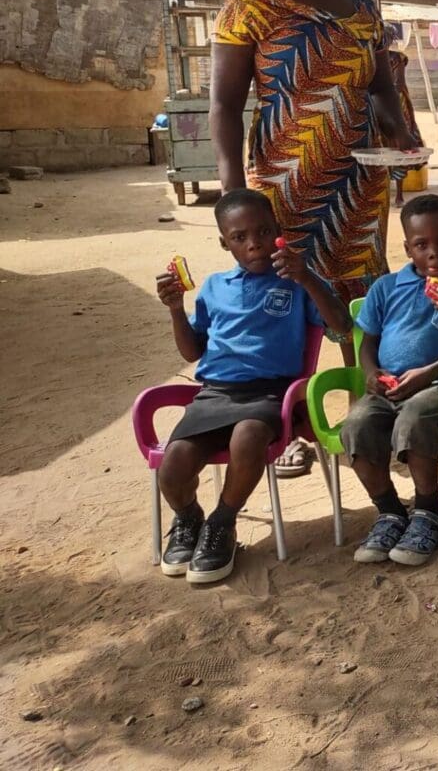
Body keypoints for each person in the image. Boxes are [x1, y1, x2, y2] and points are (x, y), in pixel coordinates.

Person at [210, 0, 419, 478]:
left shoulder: (361, 9)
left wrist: (400, 134)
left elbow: (379, 88)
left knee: (359, 299)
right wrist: (232, 191)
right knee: (287, 299)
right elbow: (225, 105)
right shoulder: (250, 8)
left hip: (358, 185)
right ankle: (290, 423)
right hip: (283, 185)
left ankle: (366, 413)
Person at [154, 189, 349, 584]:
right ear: (224, 242)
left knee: (247, 438)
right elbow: (193, 351)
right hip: (215, 394)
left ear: (279, 232)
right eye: (239, 237)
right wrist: (176, 309)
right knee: (173, 466)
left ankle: (222, 523)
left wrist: (307, 276)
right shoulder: (214, 287)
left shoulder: (297, 281)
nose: (254, 243)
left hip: (271, 395)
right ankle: (190, 519)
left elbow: (342, 327)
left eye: (262, 231)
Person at [342, 195, 438, 567]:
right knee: (356, 425)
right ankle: (389, 511)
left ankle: (428, 510)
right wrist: (371, 374)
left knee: (414, 418)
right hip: (387, 387)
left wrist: (426, 374)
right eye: (422, 245)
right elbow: (367, 342)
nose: (435, 252)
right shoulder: (386, 288)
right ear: (408, 248)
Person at [384, 21, 424, 206]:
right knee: (387, 148)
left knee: (397, 146)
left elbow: (398, 85)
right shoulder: (386, 58)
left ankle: (399, 195)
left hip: (395, 105)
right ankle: (395, 195)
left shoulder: (396, 58)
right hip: (389, 104)